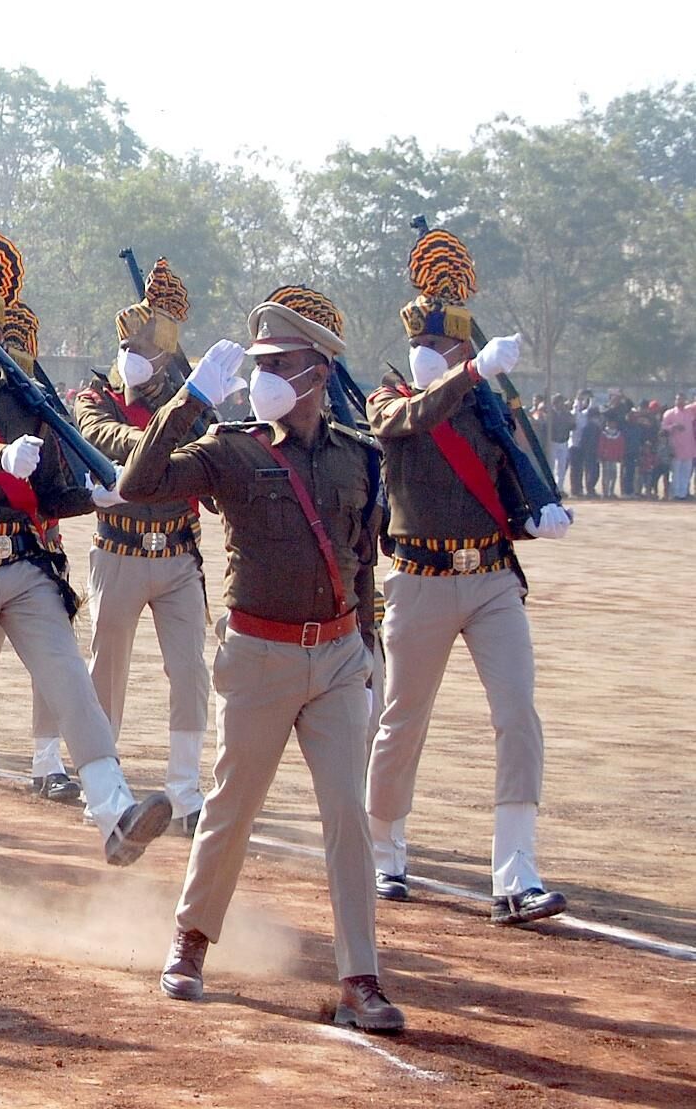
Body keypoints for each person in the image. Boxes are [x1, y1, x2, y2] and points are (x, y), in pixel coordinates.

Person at [120, 285, 403, 1034]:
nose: (263, 376)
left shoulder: (357, 458)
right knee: (231, 809)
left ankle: (360, 977)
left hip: (339, 657)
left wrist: (366, 654)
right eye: (259, 363)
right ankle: (189, 942)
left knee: (347, 814)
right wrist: (184, 400)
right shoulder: (230, 449)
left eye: (280, 363)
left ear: (317, 372)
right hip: (257, 658)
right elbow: (136, 484)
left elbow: (361, 559)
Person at [0, 226, 171, 908]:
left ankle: (114, 814)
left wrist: (95, 495)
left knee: (70, 685)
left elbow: (50, 490)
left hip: (26, 565)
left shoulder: (29, 399)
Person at [365, 226, 570, 929]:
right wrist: (472, 374)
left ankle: (515, 871)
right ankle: (383, 850)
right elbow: (414, 419)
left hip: (488, 578)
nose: (435, 355)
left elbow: (506, 479)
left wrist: (536, 510)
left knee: (517, 715)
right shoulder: (385, 401)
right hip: (418, 579)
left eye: (449, 347)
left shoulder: (487, 408)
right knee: (401, 721)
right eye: (428, 344)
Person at [72, 258, 213, 835]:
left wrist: (185, 418)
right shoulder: (95, 396)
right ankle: (104, 787)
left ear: (165, 359)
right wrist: (165, 435)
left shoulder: (189, 404)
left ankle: (185, 787)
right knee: (107, 673)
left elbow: (205, 456)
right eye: (127, 345)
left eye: (145, 350)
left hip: (178, 555)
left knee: (190, 673)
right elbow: (100, 438)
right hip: (120, 551)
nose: (132, 357)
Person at [663, 393, 695, 500]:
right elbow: (664, 427)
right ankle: (675, 494)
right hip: (676, 447)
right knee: (676, 472)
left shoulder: (690, 411)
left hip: (689, 447)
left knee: (686, 472)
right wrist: (674, 426)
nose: (680, 401)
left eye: (682, 399)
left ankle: (683, 493)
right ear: (675, 400)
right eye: (678, 399)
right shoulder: (670, 413)